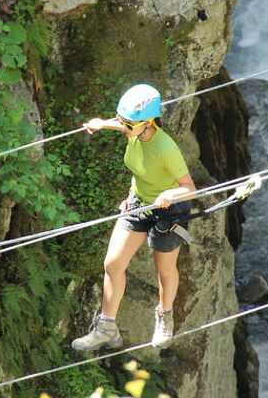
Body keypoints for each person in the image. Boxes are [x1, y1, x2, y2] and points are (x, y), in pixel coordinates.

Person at [72, 83, 196, 352]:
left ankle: (165, 318)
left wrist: (170, 194)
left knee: (163, 269)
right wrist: (102, 124)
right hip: (138, 203)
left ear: (148, 122)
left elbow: (189, 189)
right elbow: (123, 126)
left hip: (169, 211)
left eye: (129, 123)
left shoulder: (166, 148)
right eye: (123, 122)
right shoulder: (135, 132)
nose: (124, 127)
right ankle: (106, 328)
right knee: (113, 264)